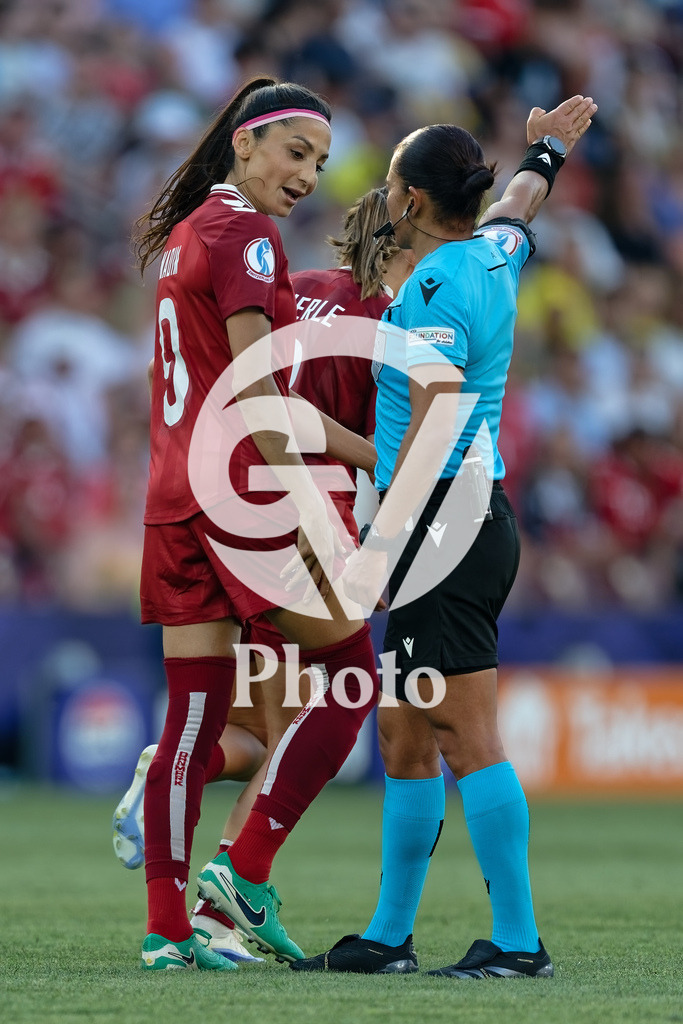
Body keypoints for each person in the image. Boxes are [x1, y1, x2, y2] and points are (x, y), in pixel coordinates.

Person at [289, 94, 597, 978]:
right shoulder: (490, 255)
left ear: (411, 202)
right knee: (404, 734)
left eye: (390, 183)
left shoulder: (428, 288)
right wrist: (546, 153)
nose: (383, 194)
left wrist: (381, 539)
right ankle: (388, 937)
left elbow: (431, 422)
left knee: (465, 736)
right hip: (468, 517)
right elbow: (519, 209)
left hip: (441, 527)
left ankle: (517, 943)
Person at [113, 186, 414, 964]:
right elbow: (301, 422)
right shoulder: (387, 325)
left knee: (239, 726)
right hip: (284, 516)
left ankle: (182, 910)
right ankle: (232, 890)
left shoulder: (303, 287)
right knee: (315, 709)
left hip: (196, 495)